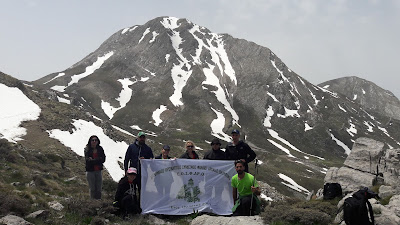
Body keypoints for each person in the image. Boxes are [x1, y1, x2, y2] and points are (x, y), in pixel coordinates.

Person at [124, 131, 154, 203]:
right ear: (137, 138)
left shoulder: (148, 149)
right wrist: (126, 170)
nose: (142, 139)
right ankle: (133, 205)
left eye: (143, 137)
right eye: (141, 137)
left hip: (143, 173)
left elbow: (152, 160)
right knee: (132, 190)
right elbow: (126, 159)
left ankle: (141, 205)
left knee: (142, 190)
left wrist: (146, 160)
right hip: (132, 173)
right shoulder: (131, 147)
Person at [84, 135, 106, 199]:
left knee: (99, 188)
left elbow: (103, 159)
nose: (94, 141)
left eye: (95, 140)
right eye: (92, 140)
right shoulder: (87, 149)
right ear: (90, 141)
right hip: (90, 171)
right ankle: (92, 202)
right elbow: (88, 161)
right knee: (92, 188)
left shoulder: (100, 149)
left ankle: (98, 202)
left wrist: (93, 160)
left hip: (98, 170)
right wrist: (98, 159)